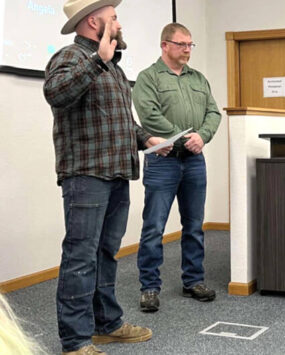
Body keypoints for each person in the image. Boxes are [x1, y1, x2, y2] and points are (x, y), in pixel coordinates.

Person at [44, 1, 171, 353]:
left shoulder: (112, 68)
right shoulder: (71, 57)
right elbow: (56, 93)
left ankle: (106, 324)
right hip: (86, 173)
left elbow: (119, 121)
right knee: (81, 256)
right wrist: (97, 60)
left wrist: (147, 139)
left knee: (105, 253)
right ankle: (76, 340)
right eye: (113, 18)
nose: (118, 23)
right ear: (92, 22)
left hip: (116, 171)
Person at [132, 23, 221, 312]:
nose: (187, 50)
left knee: (194, 225)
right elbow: (149, 115)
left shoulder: (199, 79)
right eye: (182, 44)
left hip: (194, 161)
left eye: (190, 45)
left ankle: (193, 281)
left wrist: (203, 136)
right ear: (165, 45)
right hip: (162, 162)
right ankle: (149, 287)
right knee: (154, 227)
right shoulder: (149, 78)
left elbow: (213, 112)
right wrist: (184, 137)